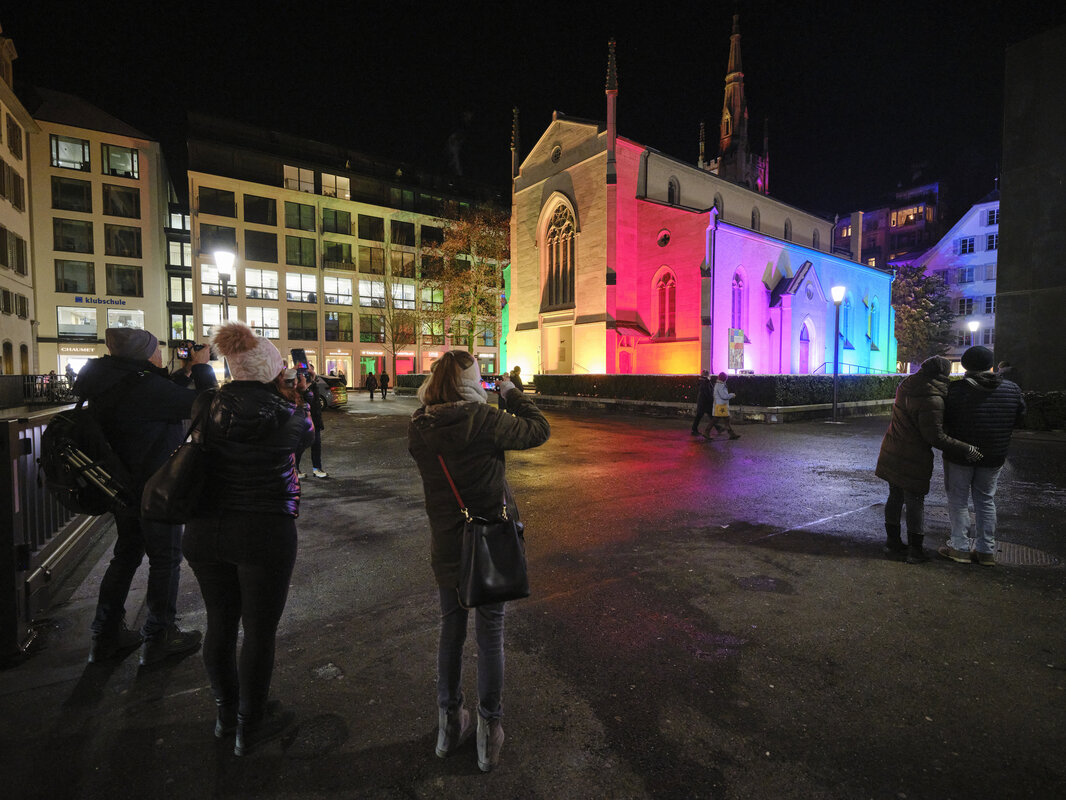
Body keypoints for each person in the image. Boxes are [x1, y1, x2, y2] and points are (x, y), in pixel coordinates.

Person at [408, 350, 550, 773]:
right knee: (491, 633)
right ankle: (489, 731)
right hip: (489, 544)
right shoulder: (483, 420)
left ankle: (448, 724)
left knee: (451, 630)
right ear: (472, 382)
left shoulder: (419, 426)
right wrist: (512, 393)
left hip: (448, 546)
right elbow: (538, 430)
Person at [181, 320, 314, 756]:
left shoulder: (206, 404)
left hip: (205, 529)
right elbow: (300, 445)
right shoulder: (292, 414)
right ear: (275, 371)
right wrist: (297, 393)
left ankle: (226, 713)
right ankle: (250, 723)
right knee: (259, 630)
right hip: (263, 531)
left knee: (220, 621)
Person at [74, 328, 216, 665]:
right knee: (165, 559)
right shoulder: (144, 387)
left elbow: (153, 399)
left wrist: (181, 374)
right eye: (156, 349)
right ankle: (159, 635)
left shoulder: (110, 380)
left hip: (121, 487)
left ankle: (105, 634)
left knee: (125, 556)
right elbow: (210, 405)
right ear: (143, 354)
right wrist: (201, 368)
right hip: (155, 489)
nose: (161, 353)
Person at [874, 356, 982, 563]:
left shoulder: (907, 384)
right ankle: (915, 551)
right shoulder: (932, 396)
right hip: (913, 455)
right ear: (943, 374)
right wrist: (966, 448)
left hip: (892, 447)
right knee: (915, 502)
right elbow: (935, 436)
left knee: (895, 496)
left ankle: (892, 543)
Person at [939, 346, 1026, 566]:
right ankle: (986, 550)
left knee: (958, 500)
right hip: (994, 454)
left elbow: (944, 420)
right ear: (990, 365)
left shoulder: (956, 389)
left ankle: (959, 548)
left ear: (965, 365)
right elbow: (1020, 418)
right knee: (986, 500)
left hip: (960, 454)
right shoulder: (1012, 389)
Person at [296, 364, 329, 478]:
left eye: (312, 371)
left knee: (316, 445)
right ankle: (295, 469)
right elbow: (304, 398)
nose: (310, 374)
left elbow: (316, 404)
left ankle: (317, 468)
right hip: (303, 421)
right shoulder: (298, 386)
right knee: (300, 446)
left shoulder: (314, 385)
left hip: (315, 420)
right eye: (308, 372)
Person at [705, 372, 740, 440]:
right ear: (724, 378)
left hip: (720, 405)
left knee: (724, 419)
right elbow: (724, 396)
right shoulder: (721, 385)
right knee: (717, 420)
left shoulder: (718, 384)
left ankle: (731, 434)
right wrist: (732, 395)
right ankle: (706, 432)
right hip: (721, 406)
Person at [690, 370, 713, 436]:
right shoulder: (706, 382)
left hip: (702, 401)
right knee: (702, 416)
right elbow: (707, 392)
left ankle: (718, 428)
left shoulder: (701, 381)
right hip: (705, 402)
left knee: (702, 416)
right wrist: (711, 399)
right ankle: (694, 429)